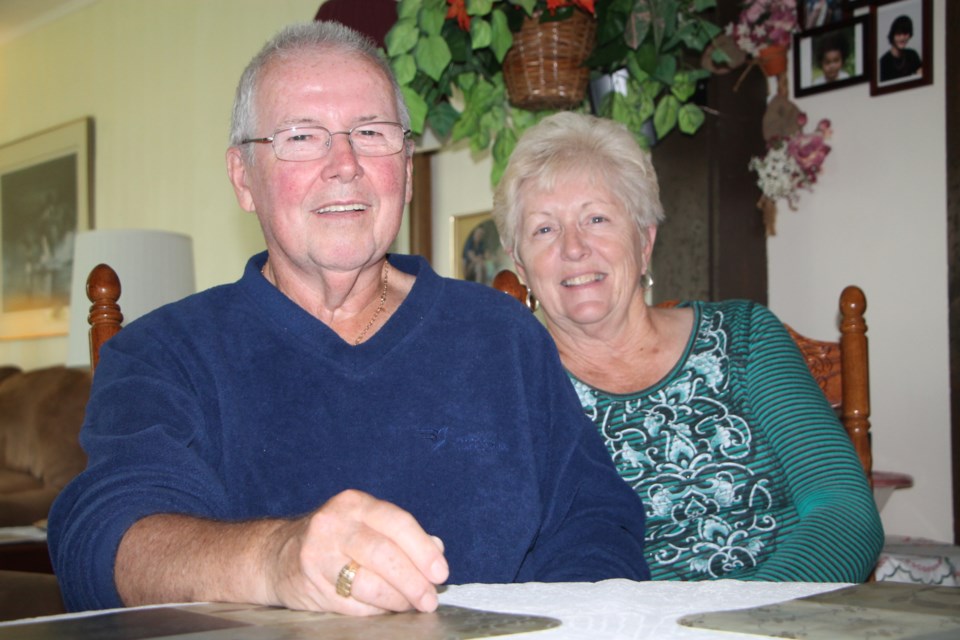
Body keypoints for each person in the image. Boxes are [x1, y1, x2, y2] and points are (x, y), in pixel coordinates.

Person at [48, 22, 650, 616]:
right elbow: (108, 542)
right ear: (243, 178)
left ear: (407, 169)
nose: (344, 163)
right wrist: (275, 557)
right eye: (302, 137)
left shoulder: (503, 335)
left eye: (370, 131)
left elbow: (596, 521)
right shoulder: (163, 353)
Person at [491, 112, 884, 582]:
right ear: (520, 262)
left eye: (596, 218)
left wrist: (739, 623)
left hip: (782, 619)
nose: (574, 248)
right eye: (544, 229)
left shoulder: (744, 337)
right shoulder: (509, 388)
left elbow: (845, 511)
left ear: (645, 241)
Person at [879, 15, 922, 82]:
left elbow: (921, 76)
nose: (902, 38)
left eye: (905, 33)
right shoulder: (883, 62)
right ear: (892, 36)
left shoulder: (913, 55)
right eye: (898, 34)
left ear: (909, 35)